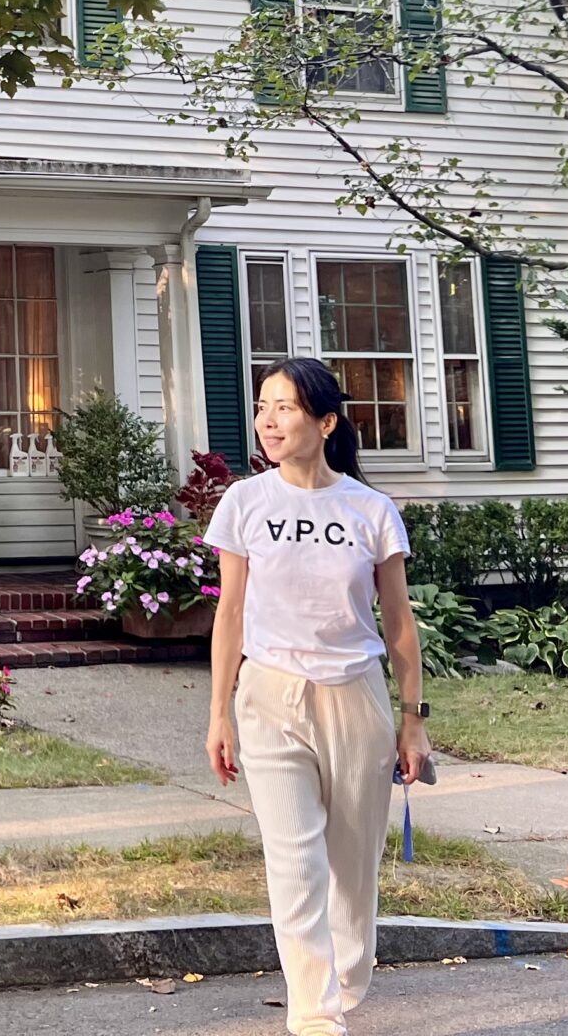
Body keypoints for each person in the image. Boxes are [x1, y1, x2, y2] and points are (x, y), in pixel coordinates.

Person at [201, 356, 430, 1036]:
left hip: (356, 697)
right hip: (270, 696)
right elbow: (230, 615)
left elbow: (398, 624)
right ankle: (315, 1013)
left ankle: (346, 976)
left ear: (325, 422)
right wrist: (219, 713)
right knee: (295, 860)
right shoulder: (245, 502)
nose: (269, 420)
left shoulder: (369, 510)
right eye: (263, 406)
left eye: (286, 408)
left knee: (353, 866)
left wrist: (413, 722)